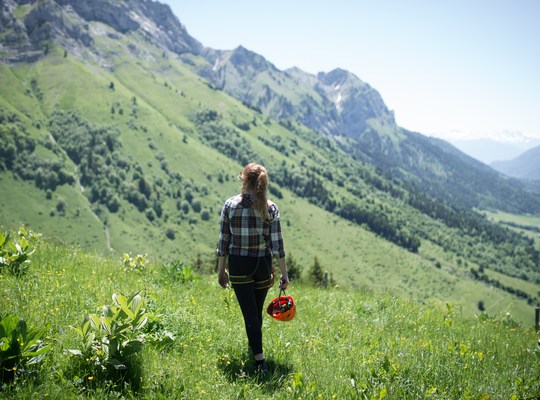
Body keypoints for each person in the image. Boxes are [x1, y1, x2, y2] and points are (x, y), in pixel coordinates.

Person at [216, 162, 289, 374]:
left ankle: (259, 361)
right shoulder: (271, 208)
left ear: (244, 180)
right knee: (255, 313)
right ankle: (255, 349)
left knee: (250, 314)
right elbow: (278, 245)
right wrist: (284, 273)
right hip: (263, 266)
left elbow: (223, 242)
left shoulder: (230, 205)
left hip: (239, 265)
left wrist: (221, 271)